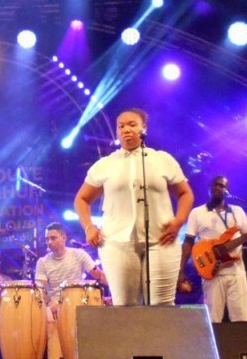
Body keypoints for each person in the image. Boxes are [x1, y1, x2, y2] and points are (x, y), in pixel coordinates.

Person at [73, 108, 194, 306]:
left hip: (161, 240)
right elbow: (81, 199)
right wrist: (88, 227)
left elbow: (185, 194)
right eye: (121, 126)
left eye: (132, 124)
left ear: (144, 128)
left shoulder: (162, 159)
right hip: (116, 243)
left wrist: (179, 221)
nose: (126, 129)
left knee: (162, 307)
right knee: (125, 307)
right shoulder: (105, 164)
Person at [180, 175, 247, 321]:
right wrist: (181, 271)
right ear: (209, 188)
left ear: (228, 190)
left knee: (241, 320)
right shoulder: (197, 213)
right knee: (213, 320)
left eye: (222, 186)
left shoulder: (237, 211)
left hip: (237, 273)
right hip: (212, 273)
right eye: (215, 185)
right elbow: (188, 243)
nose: (218, 188)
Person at [35, 222, 107, 313]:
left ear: (64, 238)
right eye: (47, 239)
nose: (49, 242)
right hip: (55, 309)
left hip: (78, 305)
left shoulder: (79, 254)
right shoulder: (42, 262)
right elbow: (40, 289)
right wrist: (49, 302)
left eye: (53, 238)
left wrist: (118, 289)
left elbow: (99, 275)